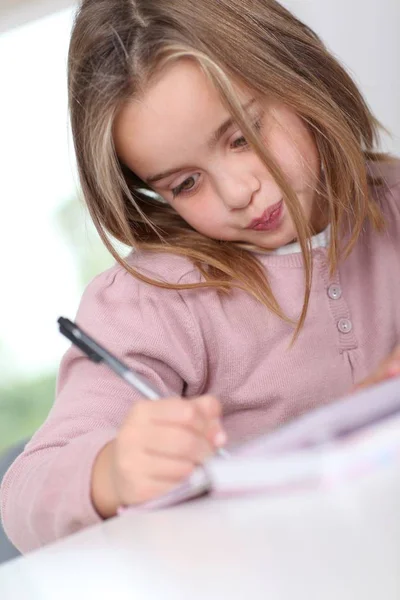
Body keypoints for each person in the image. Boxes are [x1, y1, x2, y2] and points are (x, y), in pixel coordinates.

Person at [1, 0, 400, 553]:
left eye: (242, 137)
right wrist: (110, 473)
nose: (238, 192)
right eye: (185, 184)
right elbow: (25, 493)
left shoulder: (393, 202)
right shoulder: (157, 300)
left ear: (298, 72)